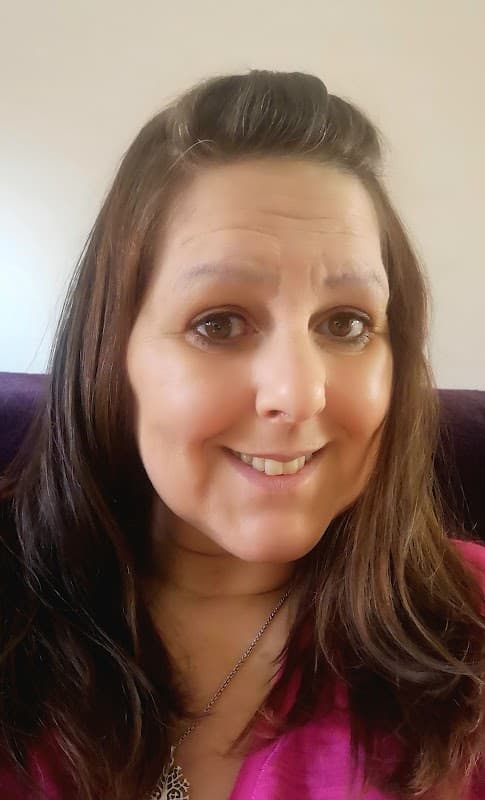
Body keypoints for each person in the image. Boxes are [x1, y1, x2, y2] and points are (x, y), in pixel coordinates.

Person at [0, 70, 484, 800]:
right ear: (113, 353)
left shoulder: (470, 625)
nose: (297, 392)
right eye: (218, 322)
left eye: (346, 324)